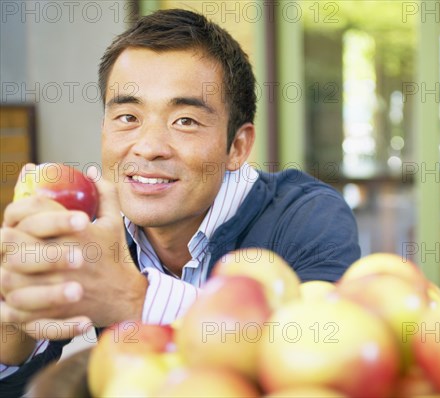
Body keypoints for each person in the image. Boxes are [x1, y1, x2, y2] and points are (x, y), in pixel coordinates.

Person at [0, 8, 360, 396]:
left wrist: (131, 298)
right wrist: (16, 317)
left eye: (185, 120)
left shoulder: (310, 219)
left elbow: (314, 367)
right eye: (126, 116)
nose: (149, 147)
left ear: (237, 146)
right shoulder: (90, 226)